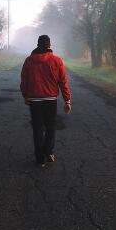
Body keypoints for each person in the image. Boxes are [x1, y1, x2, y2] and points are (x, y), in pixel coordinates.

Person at [20, 35, 72, 166]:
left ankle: (40, 159)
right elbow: (63, 81)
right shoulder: (57, 61)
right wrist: (67, 100)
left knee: (37, 128)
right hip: (50, 99)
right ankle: (48, 152)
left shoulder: (28, 61)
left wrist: (26, 96)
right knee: (50, 127)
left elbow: (24, 80)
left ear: (37, 44)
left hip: (34, 100)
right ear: (49, 45)